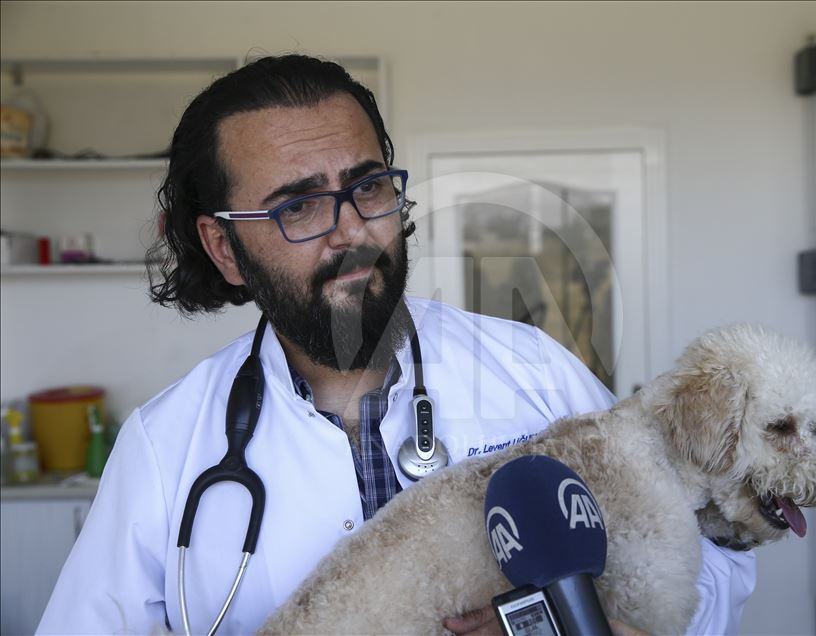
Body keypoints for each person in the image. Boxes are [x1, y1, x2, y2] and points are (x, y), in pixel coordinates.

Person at [38, 55, 754, 635]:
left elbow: (710, 560)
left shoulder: (531, 371)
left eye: (368, 187)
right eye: (299, 206)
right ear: (224, 248)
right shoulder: (166, 449)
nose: (352, 230)